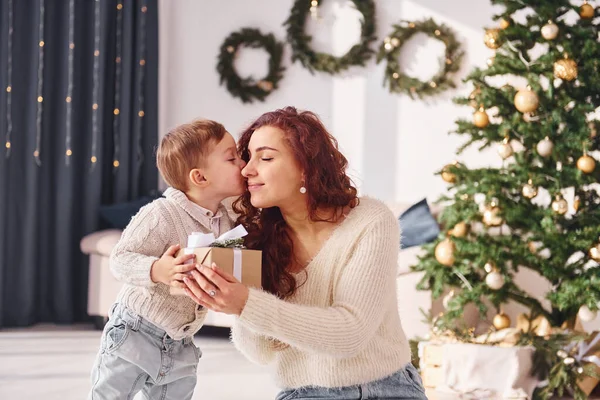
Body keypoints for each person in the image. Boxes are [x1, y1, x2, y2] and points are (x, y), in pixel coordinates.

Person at [182, 107, 428, 399]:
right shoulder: (256, 236)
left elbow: (350, 333)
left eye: (266, 157)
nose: (247, 169)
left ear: (306, 167)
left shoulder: (371, 220)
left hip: (388, 390)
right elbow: (261, 352)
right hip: (305, 393)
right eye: (248, 157)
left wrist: (246, 303)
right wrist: (233, 300)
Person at [88, 119, 246, 399]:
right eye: (232, 157)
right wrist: (157, 269)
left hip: (181, 340)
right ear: (200, 178)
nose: (243, 164)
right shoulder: (161, 213)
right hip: (135, 330)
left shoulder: (228, 218)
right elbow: (120, 258)